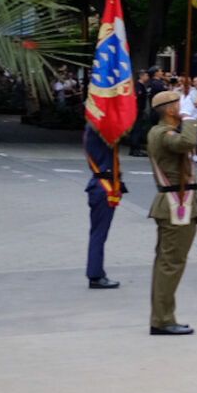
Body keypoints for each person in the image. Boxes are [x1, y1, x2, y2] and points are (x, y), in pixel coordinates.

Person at [145, 89, 197, 337]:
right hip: (176, 204)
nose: (182, 105)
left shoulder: (162, 131)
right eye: (179, 103)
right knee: (171, 264)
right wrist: (189, 118)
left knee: (167, 263)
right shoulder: (163, 133)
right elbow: (186, 142)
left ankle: (163, 316)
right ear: (169, 110)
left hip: (176, 202)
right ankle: (163, 320)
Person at [83, 122, 125, 290]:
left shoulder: (91, 129)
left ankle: (96, 272)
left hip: (100, 184)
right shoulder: (97, 130)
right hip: (103, 187)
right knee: (99, 234)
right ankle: (95, 275)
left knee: (98, 233)